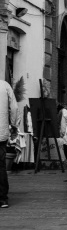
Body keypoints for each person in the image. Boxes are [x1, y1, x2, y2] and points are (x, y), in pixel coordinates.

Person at [0, 77, 21, 209]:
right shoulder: (4, 86)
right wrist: (14, 125)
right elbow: (14, 108)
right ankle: (2, 199)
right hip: (0, 133)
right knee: (0, 166)